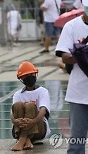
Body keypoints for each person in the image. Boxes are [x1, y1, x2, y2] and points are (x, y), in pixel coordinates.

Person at [55, 0, 88, 153]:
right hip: (78, 95)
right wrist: (80, 54)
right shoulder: (72, 26)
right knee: (76, 143)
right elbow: (64, 56)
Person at [10, 61, 51, 151]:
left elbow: (43, 110)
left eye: (31, 74)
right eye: (25, 76)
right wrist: (15, 121)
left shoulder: (42, 91)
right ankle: (27, 139)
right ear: (20, 78)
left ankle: (22, 139)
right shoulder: (18, 94)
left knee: (31, 106)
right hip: (19, 128)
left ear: (35, 74)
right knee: (17, 105)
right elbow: (12, 112)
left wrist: (32, 122)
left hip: (39, 129)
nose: (29, 77)